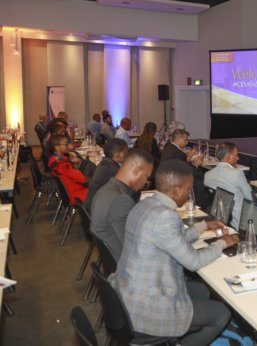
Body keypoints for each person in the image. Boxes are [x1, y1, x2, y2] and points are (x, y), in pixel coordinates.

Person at [111, 160, 238, 345]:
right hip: (146, 309)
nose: (190, 193)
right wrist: (222, 243)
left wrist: (203, 226)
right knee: (221, 313)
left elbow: (172, 240)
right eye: (188, 189)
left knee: (202, 291)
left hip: (127, 295)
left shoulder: (145, 204)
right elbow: (194, 261)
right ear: (177, 191)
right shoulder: (165, 216)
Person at [90, 149, 154, 260]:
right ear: (137, 171)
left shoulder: (105, 189)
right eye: (146, 177)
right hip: (125, 262)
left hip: (111, 257)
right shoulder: (121, 199)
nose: (145, 182)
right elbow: (133, 245)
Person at [204, 142, 252, 229]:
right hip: (237, 221)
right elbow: (250, 197)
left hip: (217, 216)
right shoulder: (237, 174)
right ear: (229, 156)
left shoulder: (207, 175)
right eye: (236, 155)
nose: (238, 158)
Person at [161, 128, 210, 210]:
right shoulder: (177, 153)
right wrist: (196, 164)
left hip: (168, 179)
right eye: (185, 140)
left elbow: (182, 165)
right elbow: (186, 172)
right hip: (176, 182)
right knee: (202, 181)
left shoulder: (168, 147)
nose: (187, 142)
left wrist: (190, 157)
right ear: (178, 139)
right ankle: (203, 207)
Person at [85, 138, 129, 212]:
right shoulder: (113, 170)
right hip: (97, 210)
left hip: (92, 206)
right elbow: (127, 192)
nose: (128, 155)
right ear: (117, 156)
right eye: (126, 152)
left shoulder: (104, 164)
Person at [48, 134, 88, 204]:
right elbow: (82, 179)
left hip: (69, 192)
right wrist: (78, 165)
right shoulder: (63, 164)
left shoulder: (53, 161)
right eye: (65, 144)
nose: (68, 146)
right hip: (76, 195)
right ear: (57, 147)